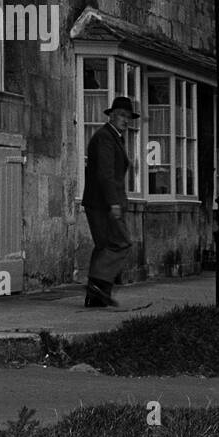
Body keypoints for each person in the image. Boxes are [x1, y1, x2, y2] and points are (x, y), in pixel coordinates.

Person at [80, 96, 139, 308]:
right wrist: (114, 203)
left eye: (128, 117)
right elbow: (105, 174)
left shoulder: (113, 137)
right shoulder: (105, 137)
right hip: (103, 203)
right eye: (122, 116)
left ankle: (96, 296)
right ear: (111, 116)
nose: (126, 120)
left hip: (100, 201)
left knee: (104, 246)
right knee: (121, 243)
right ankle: (96, 285)